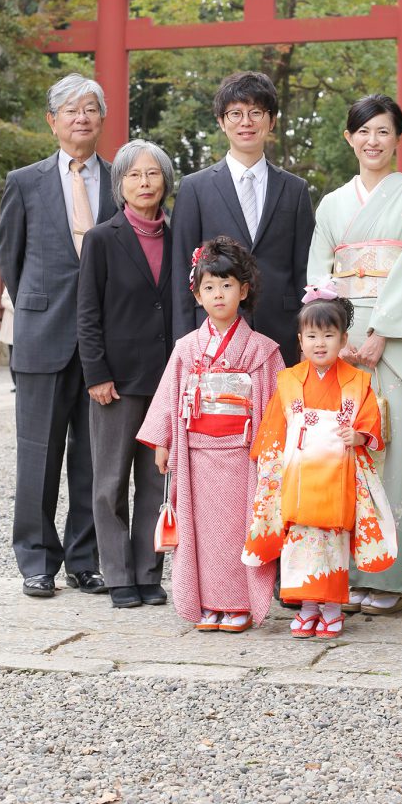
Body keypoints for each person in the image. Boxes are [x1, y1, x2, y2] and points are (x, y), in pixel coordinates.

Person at [307, 94, 402, 613]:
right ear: (349, 137)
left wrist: (382, 331)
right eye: (362, 131)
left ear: (398, 139)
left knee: (396, 455)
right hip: (342, 338)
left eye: (383, 131)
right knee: (345, 455)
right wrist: (335, 337)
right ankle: (346, 570)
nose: (372, 140)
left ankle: (390, 577)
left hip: (391, 338)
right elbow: (320, 276)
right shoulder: (333, 204)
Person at [0, 73, 117, 597]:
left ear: (102, 119)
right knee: (38, 453)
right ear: (52, 121)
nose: (81, 118)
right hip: (43, 335)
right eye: (70, 110)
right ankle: (37, 561)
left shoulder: (122, 180)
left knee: (94, 456)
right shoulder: (24, 182)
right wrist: (35, 309)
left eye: (90, 108)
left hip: (105, 342)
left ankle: (84, 559)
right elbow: (11, 259)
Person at [137, 237, 284, 632]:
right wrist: (164, 441)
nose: (218, 294)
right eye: (209, 287)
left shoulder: (262, 351)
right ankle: (205, 601)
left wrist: (272, 455)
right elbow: (170, 396)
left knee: (237, 526)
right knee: (200, 528)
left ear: (244, 289)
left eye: (226, 285)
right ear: (197, 294)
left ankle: (238, 603)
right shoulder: (187, 348)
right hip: (195, 452)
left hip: (243, 453)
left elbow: (275, 406)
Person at [242, 285, 396, 639]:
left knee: (332, 542)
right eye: (312, 336)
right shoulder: (290, 381)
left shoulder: (357, 381)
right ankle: (307, 607)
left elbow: (370, 422)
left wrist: (358, 436)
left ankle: (331, 607)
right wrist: (269, 468)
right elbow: (273, 428)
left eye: (329, 335)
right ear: (300, 339)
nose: (320, 343)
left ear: (343, 339)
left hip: (336, 476)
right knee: (298, 541)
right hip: (297, 477)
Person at [77, 140, 175, 609]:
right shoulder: (102, 237)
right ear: (120, 184)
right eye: (134, 175)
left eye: (152, 174)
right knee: (110, 481)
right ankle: (117, 575)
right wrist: (96, 372)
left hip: (166, 378)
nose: (144, 183)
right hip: (115, 380)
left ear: (165, 182)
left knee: (156, 482)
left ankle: (147, 573)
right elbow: (87, 311)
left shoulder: (180, 238)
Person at [171, 70, 314, 366]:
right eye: (235, 113)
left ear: (271, 120)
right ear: (222, 122)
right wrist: (185, 342)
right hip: (212, 333)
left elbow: (304, 269)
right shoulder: (195, 188)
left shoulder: (294, 189)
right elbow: (180, 271)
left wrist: (306, 335)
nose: (245, 122)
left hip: (281, 330)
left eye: (255, 112)